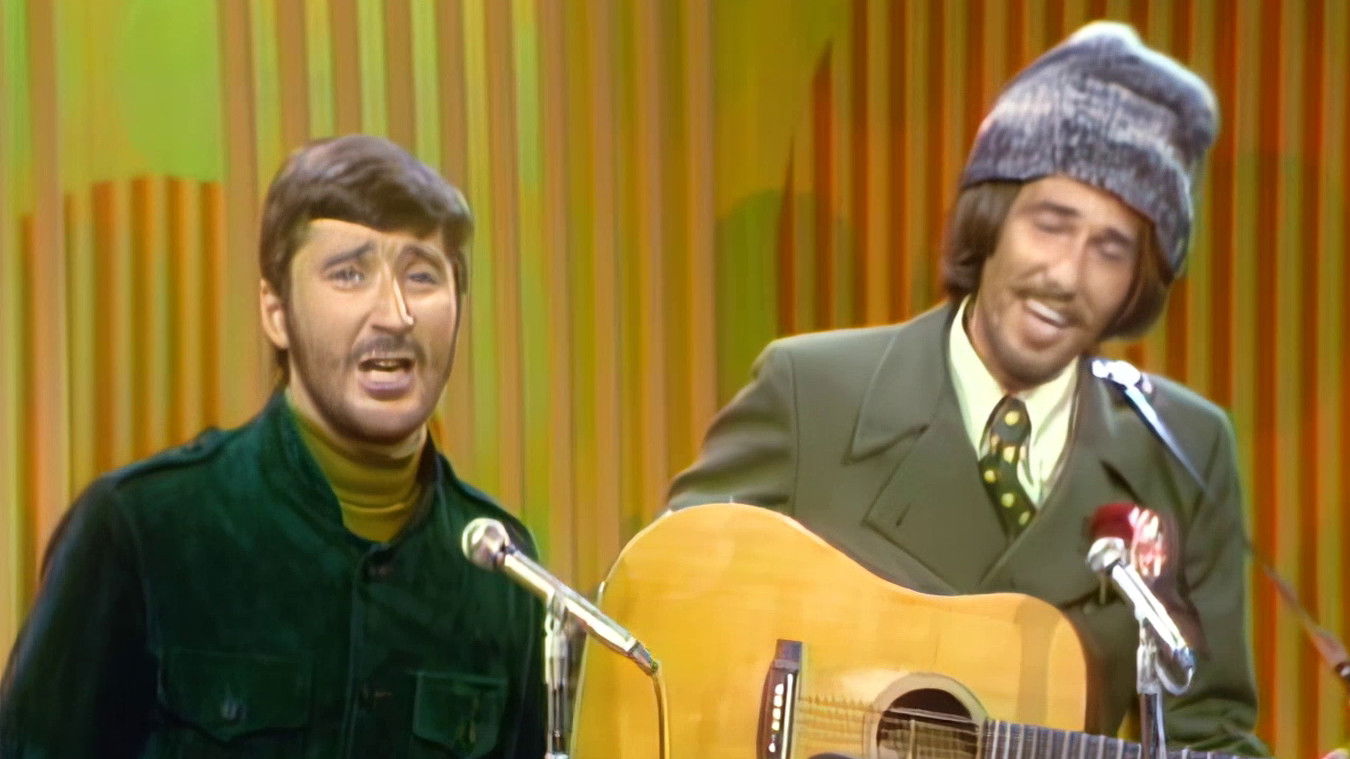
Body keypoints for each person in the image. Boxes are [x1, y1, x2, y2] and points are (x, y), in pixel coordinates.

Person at [669, 22, 1267, 755]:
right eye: (1050, 224)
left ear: (1138, 284)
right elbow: (662, 609)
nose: (1066, 275)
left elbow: (1210, 730)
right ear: (990, 222)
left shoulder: (1181, 449)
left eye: (1111, 250)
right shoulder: (810, 393)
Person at [0, 135, 544, 758]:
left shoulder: (502, 570)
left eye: (421, 276)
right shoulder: (140, 529)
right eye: (350, 274)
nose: (394, 315)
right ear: (276, 311)